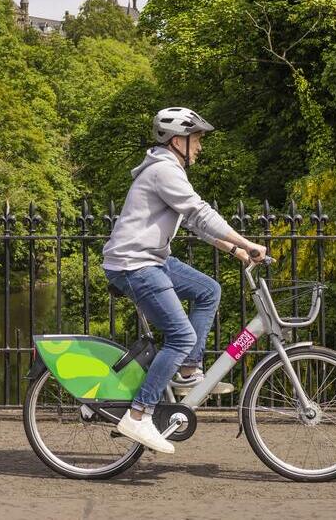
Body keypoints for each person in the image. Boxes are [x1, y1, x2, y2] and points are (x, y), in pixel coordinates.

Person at [101, 106, 269, 454]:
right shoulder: (164, 171)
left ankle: (187, 369)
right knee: (180, 335)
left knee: (209, 290)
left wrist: (233, 250)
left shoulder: (166, 169)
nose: (200, 147)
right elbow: (200, 213)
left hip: (152, 258)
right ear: (178, 140)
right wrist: (247, 242)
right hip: (134, 264)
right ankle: (139, 413)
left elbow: (194, 223)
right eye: (197, 139)